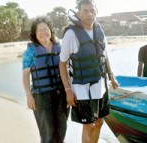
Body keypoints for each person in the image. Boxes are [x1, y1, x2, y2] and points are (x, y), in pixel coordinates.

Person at [59, 0, 118, 143]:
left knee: (99, 123)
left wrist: (111, 76)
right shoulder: (71, 34)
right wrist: (68, 90)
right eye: (85, 11)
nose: (90, 14)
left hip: (101, 87)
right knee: (88, 126)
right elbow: (62, 63)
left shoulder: (99, 31)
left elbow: (105, 56)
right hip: (81, 89)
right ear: (78, 13)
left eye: (92, 10)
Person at [22, 17, 69, 143]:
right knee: (47, 136)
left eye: (46, 29)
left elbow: (68, 70)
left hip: (61, 94)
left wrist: (70, 91)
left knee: (61, 133)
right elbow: (25, 75)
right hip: (41, 97)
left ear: (51, 31)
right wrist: (28, 96)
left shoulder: (61, 47)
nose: (44, 33)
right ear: (35, 34)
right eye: (40, 30)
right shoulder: (30, 51)